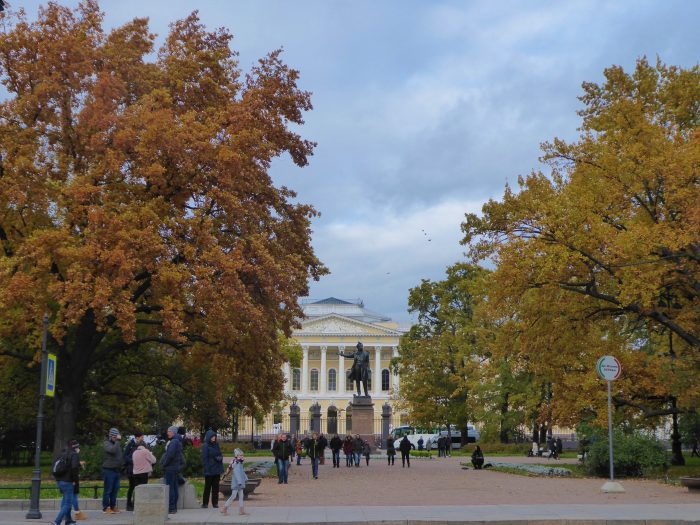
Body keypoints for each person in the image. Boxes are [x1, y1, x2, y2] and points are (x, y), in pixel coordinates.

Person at [51, 438, 81, 525]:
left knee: (65, 501)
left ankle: (68, 520)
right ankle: (57, 521)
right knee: (68, 504)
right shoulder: (74, 454)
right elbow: (74, 468)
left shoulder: (63, 453)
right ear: (76, 447)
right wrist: (75, 480)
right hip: (68, 482)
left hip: (60, 481)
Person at [161, 425, 183, 514]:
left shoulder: (173, 442)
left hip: (170, 468)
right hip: (175, 468)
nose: (167, 433)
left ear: (173, 432)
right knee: (174, 487)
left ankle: (172, 507)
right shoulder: (177, 441)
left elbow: (170, 455)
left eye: (169, 431)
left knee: (171, 488)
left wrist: (164, 464)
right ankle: (174, 507)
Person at [221, 449, 248, 516]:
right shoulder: (235, 462)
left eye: (242, 455)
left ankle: (241, 511)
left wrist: (244, 478)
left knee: (241, 496)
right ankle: (224, 508)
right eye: (240, 455)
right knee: (233, 496)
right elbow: (230, 469)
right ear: (237, 455)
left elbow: (241, 471)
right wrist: (224, 475)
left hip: (240, 481)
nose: (242, 456)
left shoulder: (240, 462)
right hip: (236, 481)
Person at [102, 427, 123, 514]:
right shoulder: (106, 443)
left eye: (117, 437)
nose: (116, 439)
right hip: (108, 470)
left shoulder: (116, 444)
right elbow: (112, 451)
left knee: (115, 489)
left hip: (116, 470)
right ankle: (105, 508)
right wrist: (118, 441)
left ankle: (113, 506)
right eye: (114, 437)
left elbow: (119, 455)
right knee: (108, 490)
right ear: (111, 436)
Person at [201, 430, 224, 508]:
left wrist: (220, 458)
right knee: (207, 487)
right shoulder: (206, 446)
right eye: (212, 436)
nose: (214, 438)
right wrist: (207, 468)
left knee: (215, 487)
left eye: (215, 436)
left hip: (217, 469)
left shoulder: (216, 445)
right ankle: (205, 503)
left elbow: (220, 454)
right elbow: (204, 459)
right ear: (209, 437)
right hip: (209, 469)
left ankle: (215, 503)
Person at [124, 432, 144, 511]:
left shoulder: (142, 444)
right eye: (142, 437)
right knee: (132, 486)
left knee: (138, 486)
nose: (143, 439)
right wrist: (133, 461)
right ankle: (129, 504)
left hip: (139, 469)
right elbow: (125, 456)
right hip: (131, 469)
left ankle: (136, 503)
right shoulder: (130, 444)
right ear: (137, 437)